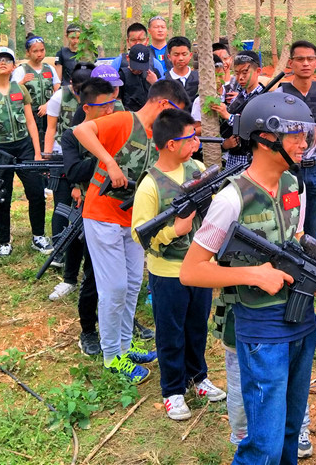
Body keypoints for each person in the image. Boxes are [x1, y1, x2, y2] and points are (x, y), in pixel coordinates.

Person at [180, 92, 316, 465]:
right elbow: (191, 270)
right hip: (260, 329)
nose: (304, 143)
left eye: (306, 134)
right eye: (295, 135)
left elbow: (298, 243)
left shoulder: (294, 185)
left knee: (289, 431)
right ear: (265, 138)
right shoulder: (231, 199)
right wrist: (252, 274)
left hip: (300, 324)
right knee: (264, 445)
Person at [73, 79, 190, 382]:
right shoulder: (125, 120)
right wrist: (109, 162)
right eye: (176, 112)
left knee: (132, 284)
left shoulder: (159, 136)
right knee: (113, 288)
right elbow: (81, 130)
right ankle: (112, 356)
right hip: (102, 215)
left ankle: (125, 346)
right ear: (164, 104)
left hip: (135, 222)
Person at [131, 108, 226, 420]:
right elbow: (138, 234)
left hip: (199, 269)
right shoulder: (150, 185)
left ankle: (198, 377)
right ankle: (173, 389)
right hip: (168, 273)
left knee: (197, 326)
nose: (196, 142)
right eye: (190, 137)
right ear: (171, 144)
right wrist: (175, 230)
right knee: (170, 333)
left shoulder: (196, 168)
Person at [49, 77, 115, 358]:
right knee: (92, 275)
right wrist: (106, 158)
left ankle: (124, 324)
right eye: (104, 107)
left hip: (122, 209)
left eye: (113, 104)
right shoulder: (73, 135)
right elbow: (73, 171)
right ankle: (88, 331)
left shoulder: (118, 125)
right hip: (94, 211)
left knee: (121, 278)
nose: (110, 112)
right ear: (87, 108)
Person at [0, 47, 51, 257]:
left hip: (25, 146)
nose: (3, 62)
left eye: (7, 59)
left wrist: (37, 151)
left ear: (13, 66)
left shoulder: (20, 89)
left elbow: (31, 122)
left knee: (36, 193)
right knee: (1, 196)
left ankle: (38, 236)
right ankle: (4, 241)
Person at [275, 41, 316, 241]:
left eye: (310, 59)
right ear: (291, 63)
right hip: (290, 170)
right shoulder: (280, 94)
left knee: (315, 226)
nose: (305, 63)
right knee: (289, 221)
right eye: (300, 59)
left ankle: (312, 265)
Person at [218, 50, 265, 170]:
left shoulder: (264, 98)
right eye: (237, 73)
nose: (240, 78)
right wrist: (226, 144)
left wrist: (227, 115)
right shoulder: (238, 97)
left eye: (245, 72)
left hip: (252, 161)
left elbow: (252, 127)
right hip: (233, 160)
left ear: (258, 71)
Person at [12, 34, 60, 143]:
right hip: (28, 116)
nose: (39, 54)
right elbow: (11, 93)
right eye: (35, 51)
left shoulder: (50, 69)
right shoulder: (21, 70)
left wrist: (49, 105)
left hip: (49, 114)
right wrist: (22, 82)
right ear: (28, 53)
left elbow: (58, 90)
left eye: (42, 50)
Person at [44, 64, 94, 156]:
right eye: (77, 91)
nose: (80, 96)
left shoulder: (99, 96)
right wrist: (47, 155)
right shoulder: (59, 96)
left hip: (91, 147)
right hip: (64, 147)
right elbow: (51, 128)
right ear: (71, 83)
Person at [118, 44, 155, 113]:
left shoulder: (152, 74)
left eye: (142, 67)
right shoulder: (121, 76)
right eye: (135, 67)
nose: (138, 70)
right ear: (127, 58)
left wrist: (155, 83)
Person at [165, 36, 199, 103]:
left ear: (190, 55)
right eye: (176, 54)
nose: (180, 58)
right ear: (169, 57)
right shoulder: (163, 81)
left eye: (184, 54)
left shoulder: (200, 78)